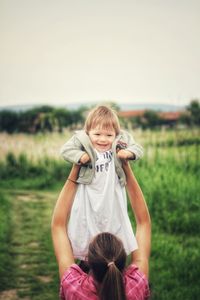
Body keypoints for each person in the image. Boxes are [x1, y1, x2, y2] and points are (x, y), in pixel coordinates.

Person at [51, 162, 151, 300]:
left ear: (87, 260)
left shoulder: (74, 288)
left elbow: (58, 225)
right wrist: (126, 167)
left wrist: (76, 168)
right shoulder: (135, 287)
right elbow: (144, 222)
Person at [59, 105, 144, 260]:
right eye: (97, 134)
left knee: (112, 223)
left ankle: (112, 261)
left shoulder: (121, 139)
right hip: (88, 194)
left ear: (116, 134)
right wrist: (80, 156)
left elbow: (138, 148)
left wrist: (129, 153)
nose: (103, 139)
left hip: (112, 194)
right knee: (86, 222)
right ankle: (87, 261)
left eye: (108, 135)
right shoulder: (81, 140)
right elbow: (65, 150)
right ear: (88, 132)